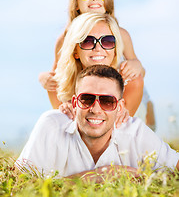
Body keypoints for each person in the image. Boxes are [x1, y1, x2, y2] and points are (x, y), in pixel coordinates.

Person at [16, 65, 179, 180]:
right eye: (86, 99)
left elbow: (175, 167)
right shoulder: (51, 124)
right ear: (74, 102)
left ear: (120, 107)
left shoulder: (134, 132)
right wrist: (95, 176)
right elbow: (19, 182)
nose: (95, 109)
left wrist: (148, 177)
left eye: (107, 101)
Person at [38, 0, 145, 116]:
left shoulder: (120, 34)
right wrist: (43, 78)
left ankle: (118, 125)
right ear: (75, 2)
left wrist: (136, 65)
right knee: (54, 84)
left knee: (135, 81)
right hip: (80, 94)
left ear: (108, 0)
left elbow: (139, 70)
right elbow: (57, 75)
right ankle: (65, 122)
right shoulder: (65, 38)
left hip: (115, 93)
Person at [53, 12, 143, 122]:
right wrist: (64, 113)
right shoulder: (57, 85)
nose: (98, 48)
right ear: (75, 51)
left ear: (115, 50)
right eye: (87, 41)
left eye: (107, 41)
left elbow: (115, 132)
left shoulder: (132, 82)